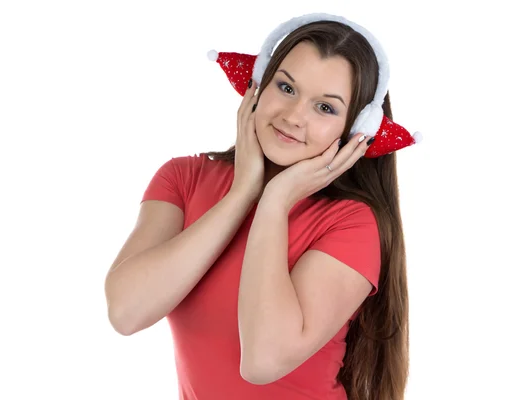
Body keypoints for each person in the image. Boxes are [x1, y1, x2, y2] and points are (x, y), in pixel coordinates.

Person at [104, 12, 420, 400]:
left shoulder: (352, 224)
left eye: (325, 108)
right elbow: (126, 312)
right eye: (286, 88)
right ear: (258, 85)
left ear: (358, 131)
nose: (293, 117)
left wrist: (273, 201)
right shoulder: (183, 178)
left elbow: (263, 361)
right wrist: (243, 193)